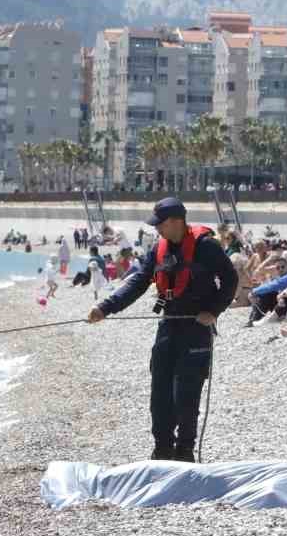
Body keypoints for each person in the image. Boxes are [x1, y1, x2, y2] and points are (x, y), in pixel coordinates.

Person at [87, 198, 237, 463]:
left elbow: (230, 280)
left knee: (186, 394)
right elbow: (137, 283)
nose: (157, 229)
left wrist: (214, 311)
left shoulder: (207, 247)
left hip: (197, 328)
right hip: (168, 324)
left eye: (161, 224)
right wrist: (105, 308)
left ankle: (185, 451)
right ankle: (162, 448)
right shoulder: (158, 249)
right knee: (160, 392)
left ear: (177, 221)